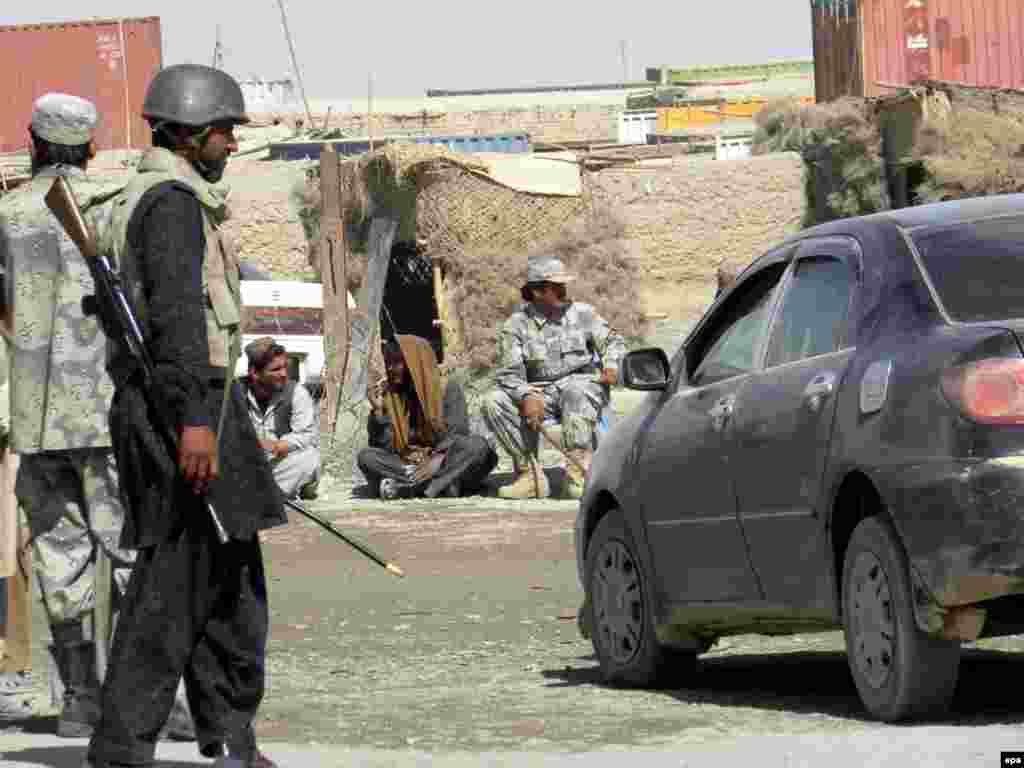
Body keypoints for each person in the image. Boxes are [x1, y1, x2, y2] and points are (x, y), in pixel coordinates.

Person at [85, 64, 286, 768]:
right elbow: (174, 321)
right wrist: (195, 424)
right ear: (191, 129)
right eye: (225, 129)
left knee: (228, 581)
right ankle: (121, 747)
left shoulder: (157, 195)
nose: (233, 142)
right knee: (170, 591)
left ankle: (231, 735)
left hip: (190, 403)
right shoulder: (169, 203)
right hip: (183, 410)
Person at [0, 93, 194, 740]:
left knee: (58, 556)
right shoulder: (108, 206)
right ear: (88, 146)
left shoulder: (8, 213)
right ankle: (147, 699)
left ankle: (81, 696)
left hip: (36, 415)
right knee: (133, 550)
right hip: (107, 414)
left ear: (34, 141)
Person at [481, 254, 626, 500]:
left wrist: (611, 367)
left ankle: (578, 474)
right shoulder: (516, 325)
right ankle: (530, 477)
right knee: (493, 401)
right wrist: (525, 395)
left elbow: (614, 342)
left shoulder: (583, 314)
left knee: (576, 389)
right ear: (537, 291)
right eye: (556, 287)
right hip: (540, 395)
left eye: (563, 285)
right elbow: (509, 374)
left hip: (581, 388)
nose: (563, 290)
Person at [357, 335, 497, 500]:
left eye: (397, 362)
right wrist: (379, 412)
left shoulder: (447, 388)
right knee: (366, 457)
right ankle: (442, 486)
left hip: (444, 461)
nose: (391, 368)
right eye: (388, 363)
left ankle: (411, 488)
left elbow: (458, 433)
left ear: (416, 364)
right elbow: (385, 447)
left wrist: (437, 459)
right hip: (410, 465)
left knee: (478, 446)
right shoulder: (390, 395)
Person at [241, 336, 321, 500]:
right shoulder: (236, 393)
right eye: (276, 369)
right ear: (255, 373)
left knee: (310, 458)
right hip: (244, 462)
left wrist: (279, 445)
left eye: (286, 367)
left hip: (279, 462)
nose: (284, 374)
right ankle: (269, 493)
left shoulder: (297, 393)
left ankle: (264, 495)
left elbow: (305, 435)